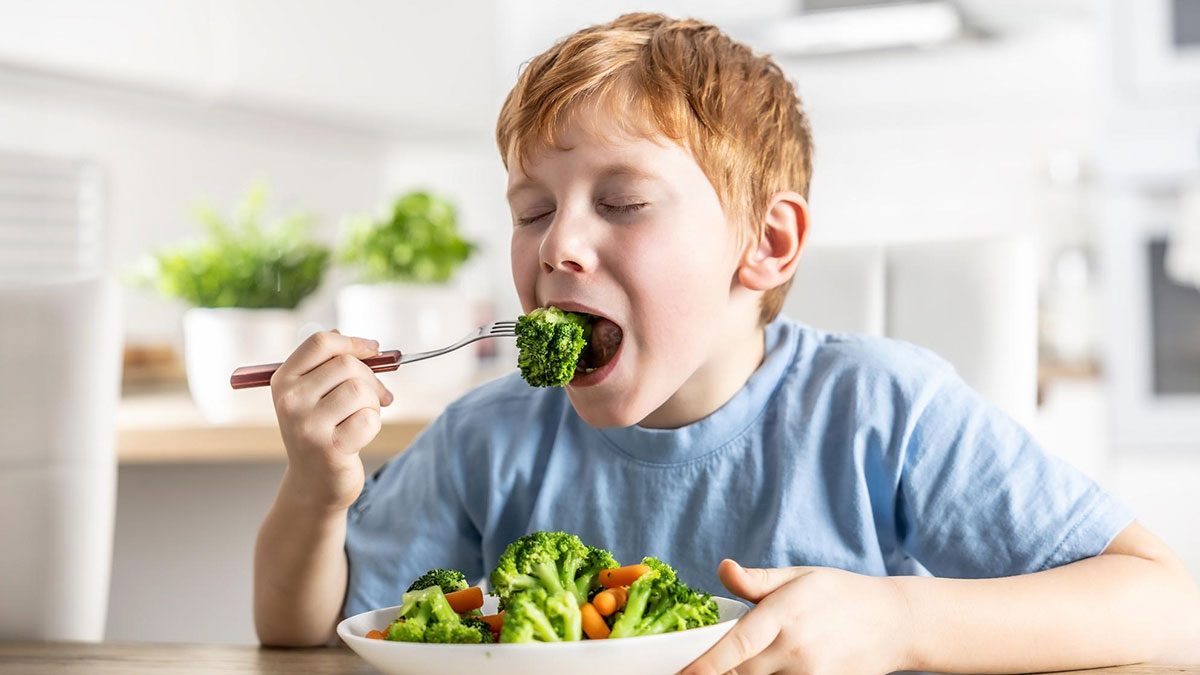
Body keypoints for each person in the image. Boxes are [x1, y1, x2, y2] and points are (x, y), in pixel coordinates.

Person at [254, 12, 1200, 672]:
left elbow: (1170, 608)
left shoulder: (879, 410)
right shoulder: (486, 436)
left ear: (766, 244)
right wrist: (317, 486)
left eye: (621, 203)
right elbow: (304, 635)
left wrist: (902, 620)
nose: (557, 245)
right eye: (533, 209)